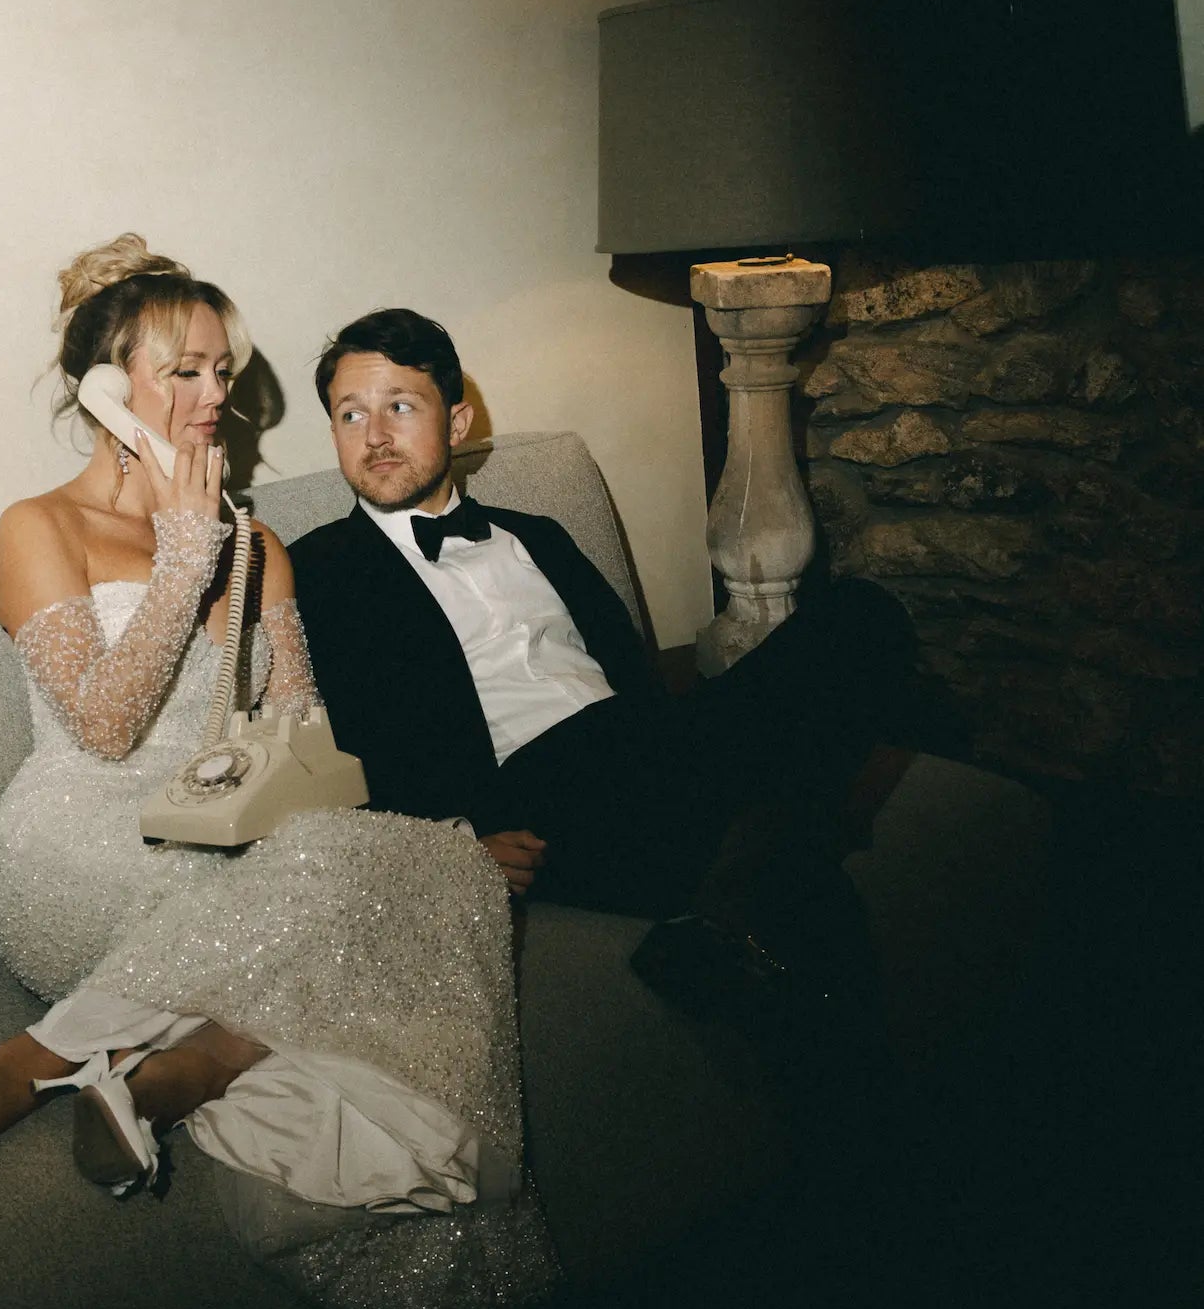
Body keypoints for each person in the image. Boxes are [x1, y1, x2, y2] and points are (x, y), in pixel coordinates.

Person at [0, 239, 553, 1309]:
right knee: (369, 894)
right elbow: (103, 729)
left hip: (217, 840)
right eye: (182, 371)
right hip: (70, 845)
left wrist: (405, 853)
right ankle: (40, 1068)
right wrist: (184, 558)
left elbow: (302, 742)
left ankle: (181, 1071)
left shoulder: (259, 546)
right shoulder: (38, 529)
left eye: (221, 370)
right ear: (106, 390)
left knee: (433, 875)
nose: (213, 397)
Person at [289, 308, 923, 1011]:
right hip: (529, 797)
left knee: (861, 615)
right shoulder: (315, 572)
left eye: (400, 407)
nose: (375, 435)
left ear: (458, 423)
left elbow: (631, 675)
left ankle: (735, 905)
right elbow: (323, 748)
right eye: (351, 415)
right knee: (769, 810)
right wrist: (454, 845)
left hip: (645, 753)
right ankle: (766, 872)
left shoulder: (540, 536)